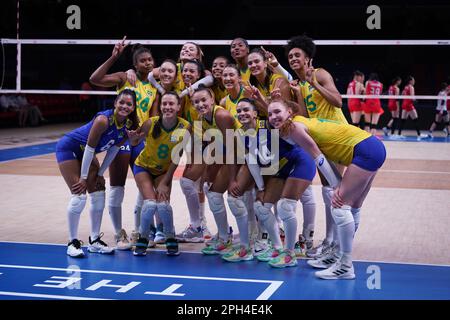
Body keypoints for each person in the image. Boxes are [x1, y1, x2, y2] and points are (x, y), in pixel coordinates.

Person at [268, 100, 386, 279]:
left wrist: (336, 185)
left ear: (289, 112)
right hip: (371, 146)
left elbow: (318, 157)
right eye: (270, 114)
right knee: (353, 207)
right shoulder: (301, 121)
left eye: (277, 112)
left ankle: (345, 265)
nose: (273, 117)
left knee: (339, 206)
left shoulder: (294, 128)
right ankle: (338, 255)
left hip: (365, 151)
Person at [224, 98, 316, 267]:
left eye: (246, 110)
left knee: (285, 207)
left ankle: (293, 250)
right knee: (261, 206)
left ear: (256, 113)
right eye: (238, 111)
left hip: (296, 165)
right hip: (277, 170)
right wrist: (260, 187)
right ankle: (276, 248)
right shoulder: (243, 135)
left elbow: (287, 119)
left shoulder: (269, 125)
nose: (242, 114)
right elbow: (252, 161)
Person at [89, 37, 159, 250]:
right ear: (135, 65)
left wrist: (148, 140)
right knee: (117, 187)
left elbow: (152, 117)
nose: (147, 63)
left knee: (143, 186)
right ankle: (119, 233)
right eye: (143, 61)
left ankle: (140, 230)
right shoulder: (124, 78)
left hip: (140, 140)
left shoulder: (155, 85)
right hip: (121, 138)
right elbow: (95, 79)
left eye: (150, 60)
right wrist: (114, 57)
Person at [55, 89, 138, 258]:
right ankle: (72, 242)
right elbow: (89, 148)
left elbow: (113, 150)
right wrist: (84, 178)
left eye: (129, 104)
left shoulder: (127, 126)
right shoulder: (103, 120)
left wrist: (100, 173)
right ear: (115, 103)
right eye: (121, 102)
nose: (124, 106)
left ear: (134, 107)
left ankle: (94, 241)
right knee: (79, 196)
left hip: (87, 153)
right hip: (69, 148)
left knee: (99, 192)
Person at [285, 34, 346, 258]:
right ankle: (330, 240)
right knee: (327, 190)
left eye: (297, 55)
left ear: (307, 57)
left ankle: (335, 242)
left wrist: (313, 84)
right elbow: (303, 116)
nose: (292, 58)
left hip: (338, 135)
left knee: (335, 189)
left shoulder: (320, 73)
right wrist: (300, 93)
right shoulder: (299, 84)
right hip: (321, 136)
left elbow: (338, 101)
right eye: (290, 56)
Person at [127, 92, 191, 256]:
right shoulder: (150, 123)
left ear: (178, 107)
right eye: (164, 104)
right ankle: (143, 237)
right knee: (149, 204)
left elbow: (177, 156)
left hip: (164, 170)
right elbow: (134, 141)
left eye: (171, 104)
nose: (168, 107)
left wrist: (165, 181)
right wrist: (133, 139)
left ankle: (170, 236)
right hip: (143, 167)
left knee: (163, 206)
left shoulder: (185, 127)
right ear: (161, 106)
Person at [179, 87, 238, 253]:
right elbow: (206, 145)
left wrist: (232, 178)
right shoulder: (202, 118)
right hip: (225, 154)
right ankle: (225, 235)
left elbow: (234, 148)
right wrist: (206, 171)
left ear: (212, 99)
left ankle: (249, 237)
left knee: (240, 198)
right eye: (196, 102)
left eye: (204, 100)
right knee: (208, 189)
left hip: (243, 155)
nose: (200, 104)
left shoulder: (221, 115)